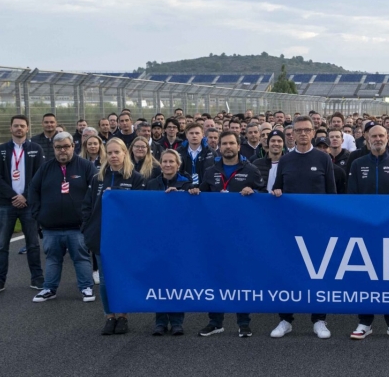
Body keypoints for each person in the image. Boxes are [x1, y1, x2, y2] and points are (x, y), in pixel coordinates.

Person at [269, 116, 336, 339]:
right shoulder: (286, 160)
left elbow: (331, 195)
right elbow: (277, 189)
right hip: (290, 226)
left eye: (308, 130)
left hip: (317, 227)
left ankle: (319, 319)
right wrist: (276, 192)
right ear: (293, 134)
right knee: (288, 271)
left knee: (318, 273)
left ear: (313, 132)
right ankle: (286, 319)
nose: (304, 134)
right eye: (299, 131)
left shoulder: (324, 158)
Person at [344, 123, 389, 340]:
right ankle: (365, 321)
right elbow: (351, 197)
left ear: (387, 137)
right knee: (364, 275)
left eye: (382, 135)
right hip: (364, 230)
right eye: (375, 135)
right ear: (366, 137)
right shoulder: (357, 163)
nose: (379, 139)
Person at [197, 132, 264, 339]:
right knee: (215, 276)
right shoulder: (210, 171)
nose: (228, 146)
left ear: (238, 146)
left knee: (240, 277)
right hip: (216, 234)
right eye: (224, 143)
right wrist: (191, 192)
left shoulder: (251, 171)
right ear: (219, 147)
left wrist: (254, 194)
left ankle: (244, 323)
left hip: (241, 234)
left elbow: (264, 199)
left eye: (231, 143)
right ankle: (215, 322)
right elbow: (201, 197)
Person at [83, 138, 145, 336]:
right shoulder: (97, 178)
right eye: (109, 153)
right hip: (101, 236)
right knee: (104, 278)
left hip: (124, 238)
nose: (113, 156)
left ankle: (123, 316)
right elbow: (87, 206)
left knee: (121, 277)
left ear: (125, 153)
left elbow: (139, 206)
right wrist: (87, 227)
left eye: (117, 152)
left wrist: (116, 193)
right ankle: (109, 316)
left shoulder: (135, 178)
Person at [26, 132, 97, 304]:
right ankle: (49, 288)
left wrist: (89, 218)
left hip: (78, 226)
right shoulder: (45, 168)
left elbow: (96, 192)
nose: (62, 151)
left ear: (73, 146)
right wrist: (38, 215)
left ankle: (86, 287)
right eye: (58, 148)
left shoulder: (86, 167)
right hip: (51, 227)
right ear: (54, 149)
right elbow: (33, 190)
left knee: (81, 258)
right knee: (52, 259)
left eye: (66, 146)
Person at [0, 115, 45, 294]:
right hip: (6, 204)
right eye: (16, 126)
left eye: (22, 126)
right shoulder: (1, 150)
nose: (19, 128)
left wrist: (26, 196)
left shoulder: (35, 149)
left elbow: (39, 176)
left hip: (28, 204)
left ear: (27, 128)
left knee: (33, 244)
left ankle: (37, 278)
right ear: (10, 128)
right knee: (2, 244)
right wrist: (15, 196)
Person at [144, 149, 193, 335]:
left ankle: (177, 321)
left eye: (171, 161)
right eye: (164, 161)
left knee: (176, 280)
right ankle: (160, 321)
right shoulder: (151, 184)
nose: (167, 165)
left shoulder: (187, 184)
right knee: (159, 280)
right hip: (157, 239)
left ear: (178, 164)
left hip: (179, 241)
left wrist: (180, 193)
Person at [179, 122, 213, 186]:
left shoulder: (211, 152)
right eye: (191, 133)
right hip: (184, 188)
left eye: (197, 133)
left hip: (205, 189)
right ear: (186, 135)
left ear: (202, 135)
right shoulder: (178, 152)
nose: (194, 135)